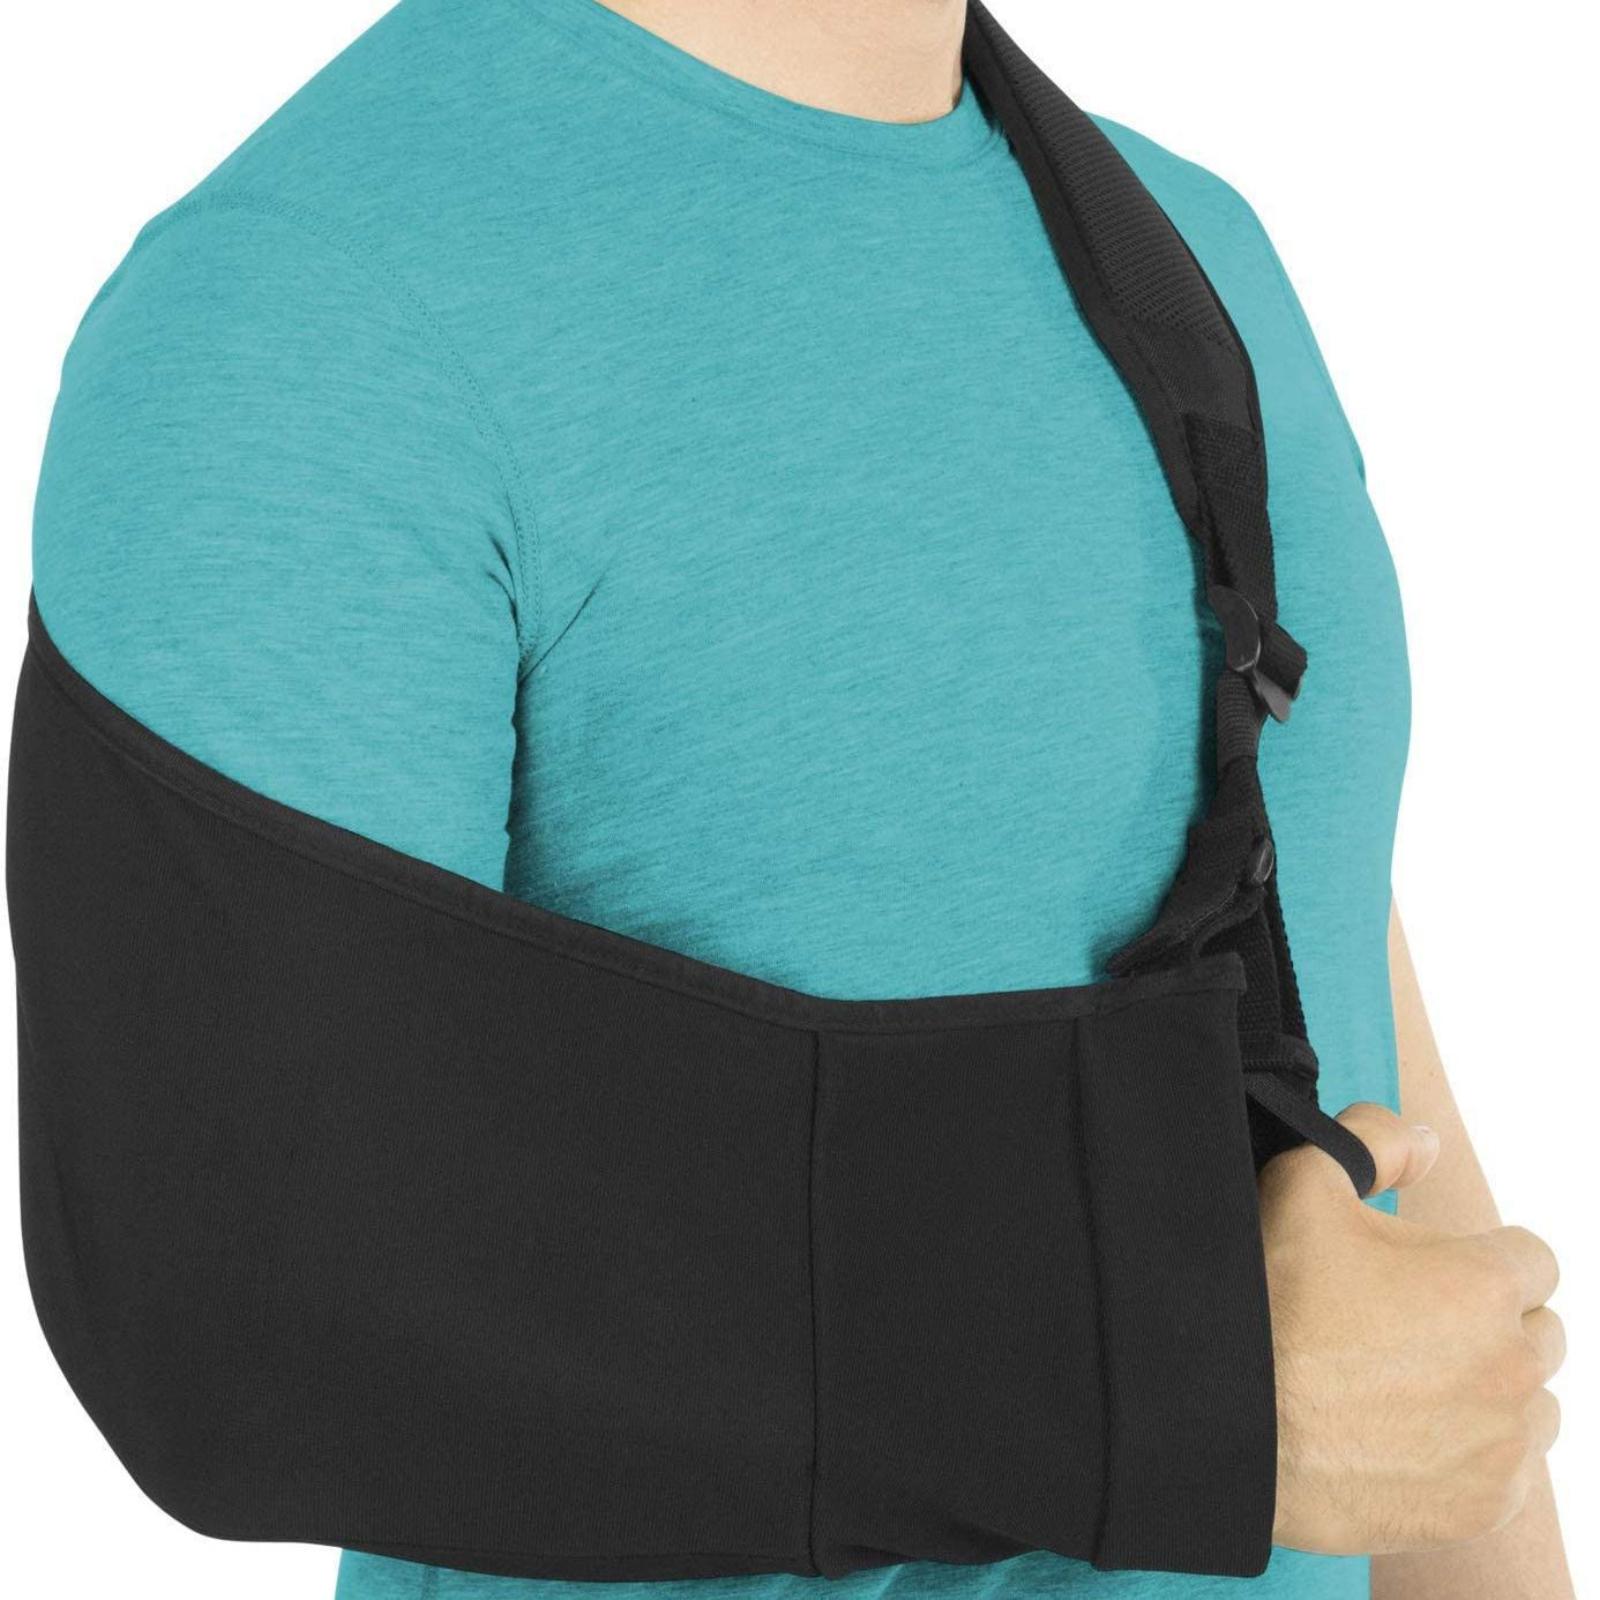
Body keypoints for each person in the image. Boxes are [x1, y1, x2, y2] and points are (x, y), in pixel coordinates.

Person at [27, 1, 1571, 1598]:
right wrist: (1165, 1394)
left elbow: (1371, 1103)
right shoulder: (300, 304)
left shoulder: (1189, 254)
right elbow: (233, 1298)